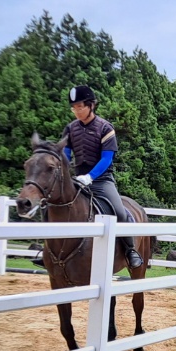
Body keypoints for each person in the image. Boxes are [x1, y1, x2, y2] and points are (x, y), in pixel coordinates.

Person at [61, 85, 143, 270]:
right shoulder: (70, 129)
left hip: (101, 181)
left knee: (119, 211)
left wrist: (90, 177)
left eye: (80, 107)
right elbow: (65, 156)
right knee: (56, 205)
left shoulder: (106, 128)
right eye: (73, 108)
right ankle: (51, 251)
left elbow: (107, 159)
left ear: (91, 106)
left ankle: (130, 250)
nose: (76, 111)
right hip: (77, 180)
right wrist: (67, 175)